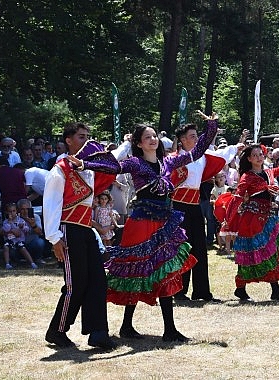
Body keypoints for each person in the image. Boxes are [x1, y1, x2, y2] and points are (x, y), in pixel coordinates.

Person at [70, 116, 218, 342]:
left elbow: (196, 152)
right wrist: (85, 164)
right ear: (138, 143)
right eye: (147, 137)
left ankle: (169, 329)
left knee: (164, 270)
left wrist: (211, 126)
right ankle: (128, 325)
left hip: (164, 223)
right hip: (141, 223)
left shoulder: (168, 162)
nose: (152, 139)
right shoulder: (135, 163)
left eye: (154, 136)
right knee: (136, 272)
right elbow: (112, 166)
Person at [43, 121, 116, 349]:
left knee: (97, 279)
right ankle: (57, 330)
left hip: (85, 229)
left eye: (87, 136)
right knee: (76, 283)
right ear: (69, 140)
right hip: (67, 228)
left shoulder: (88, 169)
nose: (86, 141)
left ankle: (98, 332)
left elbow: (114, 163)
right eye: (81, 137)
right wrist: (54, 238)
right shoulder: (60, 169)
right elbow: (51, 204)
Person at [223, 142, 279, 302]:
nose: (258, 157)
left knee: (272, 251)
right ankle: (241, 288)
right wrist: (229, 218)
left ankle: (274, 290)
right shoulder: (246, 177)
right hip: (252, 220)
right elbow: (238, 197)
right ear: (249, 159)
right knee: (249, 253)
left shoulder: (269, 172)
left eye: (260, 154)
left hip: (268, 218)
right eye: (254, 155)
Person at [170, 122, 236, 303]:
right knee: (182, 249)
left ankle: (202, 291)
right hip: (178, 207)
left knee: (199, 248)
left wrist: (212, 126)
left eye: (196, 135)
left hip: (194, 206)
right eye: (192, 136)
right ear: (182, 140)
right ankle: (179, 291)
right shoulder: (175, 159)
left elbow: (222, 153)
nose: (196, 138)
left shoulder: (201, 157)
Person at [1, 202, 38, 270]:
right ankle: (7, 264)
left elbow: (27, 229)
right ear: (7, 212)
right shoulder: (6, 221)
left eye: (13, 211)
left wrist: (22, 227)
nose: (12, 213)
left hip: (19, 240)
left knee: (22, 248)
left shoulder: (21, 220)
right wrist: (10, 223)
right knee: (5, 246)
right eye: (10, 211)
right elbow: (6, 229)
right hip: (10, 240)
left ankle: (32, 263)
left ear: (16, 211)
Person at [17, 198, 49, 263]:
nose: (25, 211)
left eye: (27, 209)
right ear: (18, 210)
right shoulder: (15, 218)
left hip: (32, 243)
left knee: (40, 242)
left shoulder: (35, 217)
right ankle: (19, 259)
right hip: (19, 244)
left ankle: (38, 258)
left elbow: (40, 233)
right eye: (22, 209)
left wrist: (33, 224)